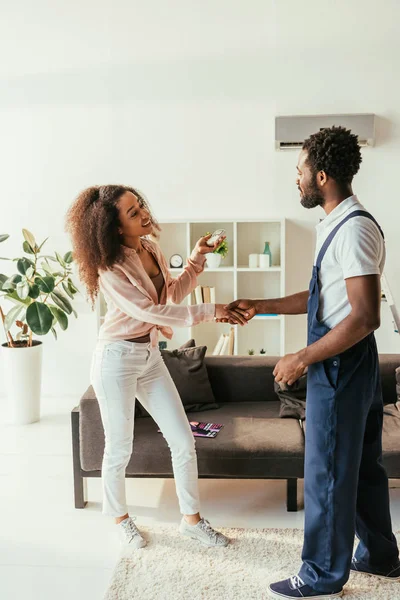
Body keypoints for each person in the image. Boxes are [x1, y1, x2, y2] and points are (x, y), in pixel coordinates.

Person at [224, 127, 400, 598]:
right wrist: (261, 304)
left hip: (341, 364)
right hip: (348, 360)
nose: (295, 179)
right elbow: (325, 299)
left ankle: (322, 573)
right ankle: (380, 555)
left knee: (327, 470)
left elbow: (364, 317)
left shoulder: (356, 228)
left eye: (299, 171)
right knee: (362, 465)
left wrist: (301, 358)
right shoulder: (337, 222)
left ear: (320, 176)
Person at [66, 184, 246, 548]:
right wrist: (212, 310)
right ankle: (120, 519)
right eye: (133, 213)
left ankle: (191, 521)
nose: (144, 214)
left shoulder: (150, 248)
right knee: (119, 448)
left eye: (141, 206)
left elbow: (169, 297)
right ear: (116, 227)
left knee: (182, 440)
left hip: (149, 356)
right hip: (115, 360)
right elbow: (149, 311)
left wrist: (196, 257)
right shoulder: (110, 267)